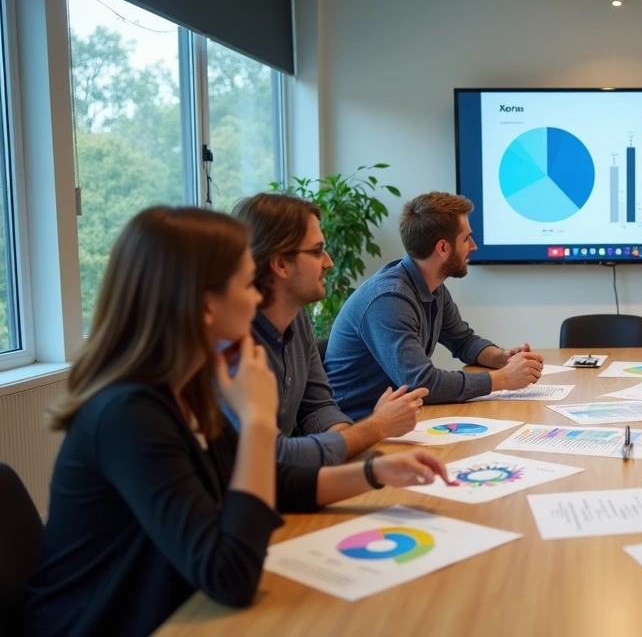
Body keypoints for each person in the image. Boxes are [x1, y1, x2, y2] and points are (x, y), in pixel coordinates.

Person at [25, 207, 453, 637]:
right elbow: (230, 575)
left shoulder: (184, 389)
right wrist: (255, 422)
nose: (256, 299)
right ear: (205, 303)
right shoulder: (128, 415)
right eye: (247, 284)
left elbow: (270, 479)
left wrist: (374, 472)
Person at [229, 193, 427, 466]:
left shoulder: (295, 317)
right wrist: (375, 428)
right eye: (317, 250)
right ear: (280, 264)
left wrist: (357, 446)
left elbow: (317, 408)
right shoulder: (231, 344)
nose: (329, 262)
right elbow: (272, 458)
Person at [325, 192, 543, 414]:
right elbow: (422, 383)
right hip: (357, 426)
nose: (474, 246)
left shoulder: (433, 286)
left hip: (398, 417)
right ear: (442, 248)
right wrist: (503, 378)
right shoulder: (388, 300)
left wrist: (502, 358)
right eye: (466, 238)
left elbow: (463, 342)